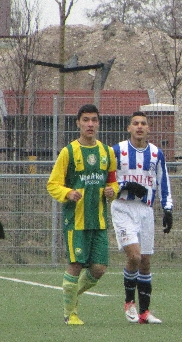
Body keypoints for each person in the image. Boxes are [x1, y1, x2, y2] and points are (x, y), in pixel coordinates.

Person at [47, 104, 119, 325]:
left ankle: (71, 297)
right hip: (75, 220)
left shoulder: (107, 152)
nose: (90, 124)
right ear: (78, 123)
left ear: (98, 123)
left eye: (94, 120)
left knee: (99, 269)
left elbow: (114, 182)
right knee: (76, 265)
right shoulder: (68, 152)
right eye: (86, 119)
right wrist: (68, 193)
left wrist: (112, 191)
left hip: (98, 220)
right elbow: (53, 184)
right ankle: (71, 314)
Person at [111, 111, 173, 324]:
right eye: (135, 123)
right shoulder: (117, 151)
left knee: (145, 261)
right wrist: (124, 186)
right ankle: (129, 303)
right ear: (129, 128)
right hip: (123, 208)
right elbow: (106, 182)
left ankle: (145, 313)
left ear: (148, 128)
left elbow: (163, 181)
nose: (139, 127)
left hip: (145, 211)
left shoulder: (156, 154)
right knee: (135, 256)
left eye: (143, 124)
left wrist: (168, 209)